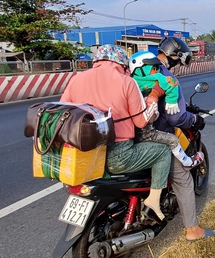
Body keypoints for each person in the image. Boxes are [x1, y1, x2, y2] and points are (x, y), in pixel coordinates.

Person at [60, 44, 170, 221]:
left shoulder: (76, 79)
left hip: (85, 157)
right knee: (163, 151)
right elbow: (141, 122)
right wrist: (152, 102)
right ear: (120, 62)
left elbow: (64, 113)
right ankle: (153, 202)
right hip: (117, 156)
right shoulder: (127, 81)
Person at [151, 36, 215, 241]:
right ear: (175, 57)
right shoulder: (167, 77)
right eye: (180, 62)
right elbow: (175, 116)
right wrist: (194, 119)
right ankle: (192, 230)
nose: (179, 67)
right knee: (183, 179)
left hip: (131, 134)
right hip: (158, 137)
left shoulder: (141, 72)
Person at [128, 50, 205, 169]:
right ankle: (187, 162)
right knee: (173, 142)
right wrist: (171, 102)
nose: (156, 70)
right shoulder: (159, 78)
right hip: (149, 132)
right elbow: (175, 116)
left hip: (128, 134)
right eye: (153, 68)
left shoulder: (129, 82)